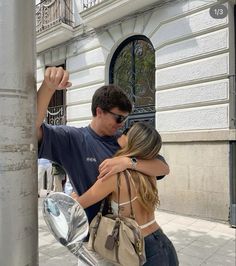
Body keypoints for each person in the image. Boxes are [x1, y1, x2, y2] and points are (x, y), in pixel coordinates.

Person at [37, 66, 169, 223]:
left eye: (125, 119)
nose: (121, 124)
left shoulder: (123, 141)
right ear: (99, 112)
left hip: (124, 236)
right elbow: (30, 129)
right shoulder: (73, 139)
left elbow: (163, 168)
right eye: (118, 118)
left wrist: (127, 162)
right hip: (91, 234)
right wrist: (48, 88)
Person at [72, 122, 179, 266]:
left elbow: (79, 204)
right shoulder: (150, 172)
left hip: (139, 249)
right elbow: (164, 169)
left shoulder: (115, 176)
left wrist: (73, 195)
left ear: (132, 140)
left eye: (127, 131)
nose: (121, 132)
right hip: (161, 242)